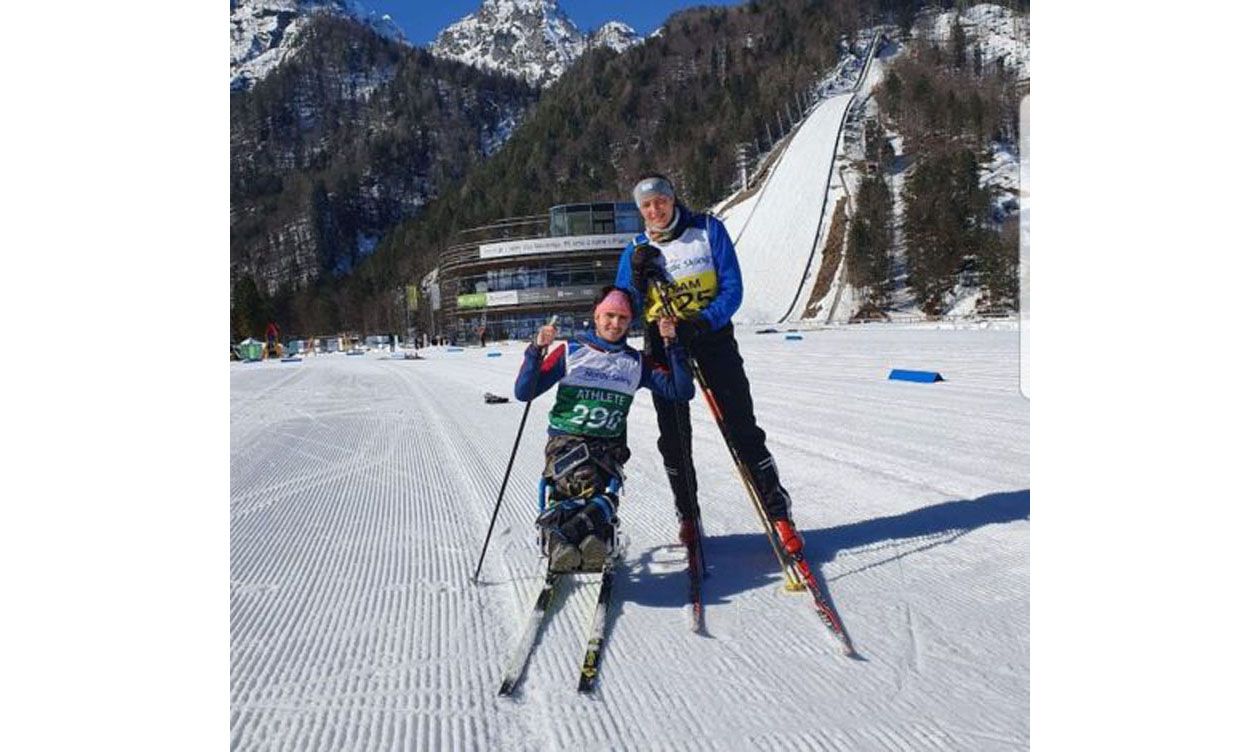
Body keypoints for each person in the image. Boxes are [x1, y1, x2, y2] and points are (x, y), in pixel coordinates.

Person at [614, 173, 805, 556]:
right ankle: (688, 515)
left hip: (711, 337)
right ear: (640, 211)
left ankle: (778, 514)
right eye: (647, 206)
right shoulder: (634, 247)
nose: (655, 210)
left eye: (661, 202)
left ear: (672, 199)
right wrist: (635, 278)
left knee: (741, 427)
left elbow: (732, 288)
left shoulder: (706, 230)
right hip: (664, 345)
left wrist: (700, 322)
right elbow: (625, 306)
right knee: (674, 437)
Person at [514, 286, 694, 572]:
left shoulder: (635, 363)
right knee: (583, 486)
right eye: (609, 315)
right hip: (567, 443)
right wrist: (537, 350)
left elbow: (682, 391)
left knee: (602, 492)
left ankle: (568, 539)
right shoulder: (571, 352)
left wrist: (672, 344)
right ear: (596, 317)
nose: (615, 323)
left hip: (607, 449)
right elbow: (524, 391)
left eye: (623, 318)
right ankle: (576, 538)